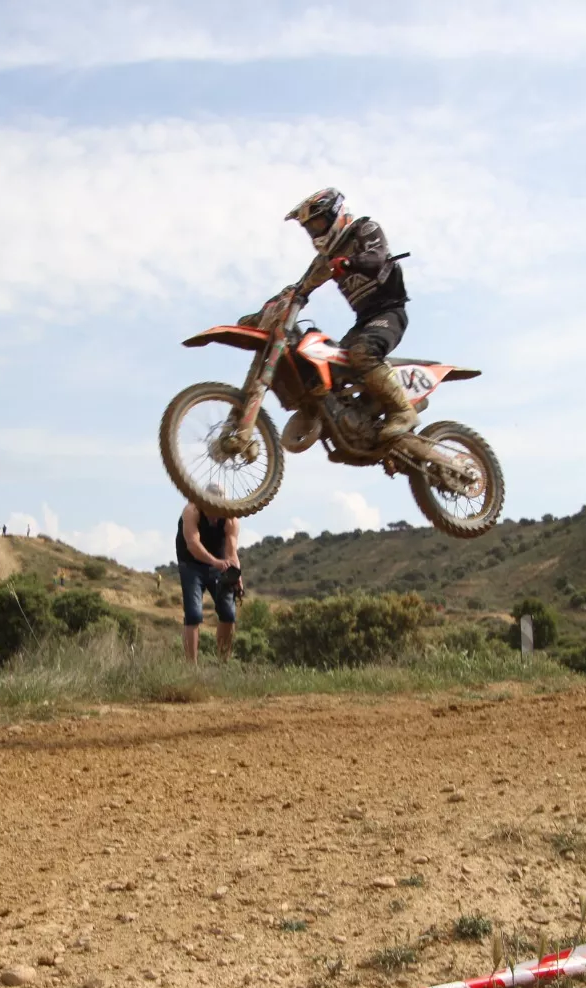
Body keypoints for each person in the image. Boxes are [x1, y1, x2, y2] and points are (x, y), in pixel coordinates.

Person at [253, 188, 414, 444]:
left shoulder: (365, 229)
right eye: (310, 227)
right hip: (364, 322)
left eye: (318, 222)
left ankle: (403, 411)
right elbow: (299, 288)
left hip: (390, 312)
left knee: (361, 353)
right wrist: (266, 311)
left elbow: (377, 256)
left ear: (335, 214)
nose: (315, 231)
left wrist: (349, 262)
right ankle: (352, 417)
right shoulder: (325, 260)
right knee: (328, 362)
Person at [177, 487, 240, 663]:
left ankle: (223, 664)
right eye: (211, 507)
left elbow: (232, 550)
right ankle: (192, 667)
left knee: (228, 613)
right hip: (191, 564)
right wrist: (214, 562)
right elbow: (193, 544)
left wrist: (237, 574)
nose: (215, 513)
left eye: (219, 508)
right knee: (193, 614)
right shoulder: (191, 511)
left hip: (219, 565)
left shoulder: (231, 519)